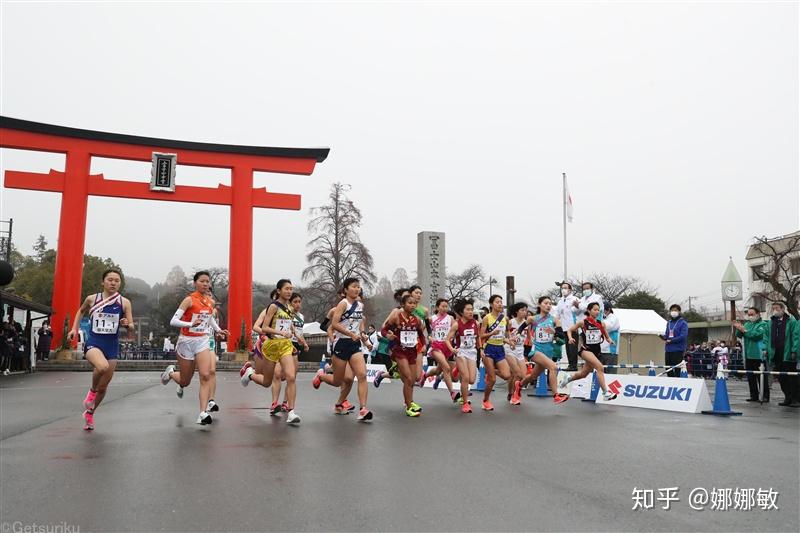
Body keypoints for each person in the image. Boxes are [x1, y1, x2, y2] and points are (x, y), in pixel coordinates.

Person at [67, 269, 134, 430]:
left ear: (120, 283)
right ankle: (91, 393)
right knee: (102, 366)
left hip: (111, 345)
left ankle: (90, 413)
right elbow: (80, 311)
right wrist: (74, 329)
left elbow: (131, 327)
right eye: (110, 280)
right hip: (94, 343)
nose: (113, 283)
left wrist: (127, 324)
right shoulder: (92, 299)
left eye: (117, 281)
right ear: (103, 282)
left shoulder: (124, 302)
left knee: (103, 388)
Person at [161, 271, 230, 425]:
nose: (206, 284)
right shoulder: (189, 300)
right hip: (186, 341)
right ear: (195, 283)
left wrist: (218, 330)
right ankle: (171, 373)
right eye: (202, 281)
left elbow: (209, 319)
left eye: (208, 281)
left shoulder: (210, 302)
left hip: (202, 341)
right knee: (185, 381)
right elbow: (174, 320)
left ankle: (202, 413)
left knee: (205, 375)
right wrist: (190, 324)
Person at [312, 278, 373, 422]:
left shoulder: (360, 305)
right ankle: (321, 376)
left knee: (362, 375)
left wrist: (365, 340)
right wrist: (349, 334)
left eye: (358, 287)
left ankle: (362, 409)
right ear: (346, 290)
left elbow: (358, 326)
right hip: (341, 344)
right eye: (353, 287)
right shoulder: (342, 304)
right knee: (339, 381)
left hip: (354, 345)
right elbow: (334, 324)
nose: (357, 289)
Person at [560, 302, 617, 401]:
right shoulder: (583, 322)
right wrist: (570, 338)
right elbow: (569, 330)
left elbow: (607, 337)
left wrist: (610, 341)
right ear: (589, 311)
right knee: (599, 367)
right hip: (586, 350)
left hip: (596, 351)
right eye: (594, 309)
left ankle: (568, 378)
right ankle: (605, 393)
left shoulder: (601, 324)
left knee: (583, 374)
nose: (597, 311)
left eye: (598, 310)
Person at [381, 293, 426, 417]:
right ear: (402, 304)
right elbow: (383, 330)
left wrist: (423, 345)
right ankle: (409, 407)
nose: (412, 305)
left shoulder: (416, 320)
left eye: (414, 304)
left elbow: (421, 335)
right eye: (409, 303)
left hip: (412, 351)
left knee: (411, 380)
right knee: (407, 377)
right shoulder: (397, 317)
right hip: (399, 351)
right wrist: (388, 335)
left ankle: (410, 402)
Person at [522, 296, 569, 403]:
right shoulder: (533, 319)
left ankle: (519, 385)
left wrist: (554, 332)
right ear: (539, 305)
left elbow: (561, 336)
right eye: (546, 303)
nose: (548, 305)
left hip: (548, 352)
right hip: (536, 351)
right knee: (553, 367)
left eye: (550, 303)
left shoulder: (555, 320)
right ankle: (556, 395)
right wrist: (514, 337)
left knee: (533, 376)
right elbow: (521, 328)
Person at [479, 295, 518, 410]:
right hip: (489, 348)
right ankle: (485, 401)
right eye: (497, 302)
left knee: (507, 375)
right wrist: (491, 334)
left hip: (500, 348)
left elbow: (504, 337)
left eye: (501, 302)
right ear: (491, 304)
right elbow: (481, 336)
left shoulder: (504, 319)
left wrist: (510, 341)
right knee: (492, 380)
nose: (500, 304)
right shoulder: (487, 318)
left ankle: (491, 371)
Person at [417, 299, 460, 403]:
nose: (445, 308)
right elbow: (421, 330)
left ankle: (425, 376)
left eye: (446, 306)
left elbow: (458, 328)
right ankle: (452, 393)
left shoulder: (450, 318)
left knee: (438, 370)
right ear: (437, 307)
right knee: (446, 368)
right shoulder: (432, 319)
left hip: (447, 347)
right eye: (442, 306)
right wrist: (428, 337)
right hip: (436, 346)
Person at [446, 298, 479, 413]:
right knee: (465, 378)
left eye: (472, 309)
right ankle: (465, 403)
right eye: (468, 310)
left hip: (472, 352)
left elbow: (479, 337)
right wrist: (452, 349)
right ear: (461, 312)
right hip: (461, 352)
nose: (471, 312)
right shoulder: (456, 325)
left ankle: (456, 369)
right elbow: (447, 339)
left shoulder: (476, 323)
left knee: (471, 380)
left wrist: (482, 350)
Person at [764, 302, 799, 407]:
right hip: (776, 353)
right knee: (781, 377)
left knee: (792, 377)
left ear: (783, 309)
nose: (775, 310)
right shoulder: (770, 323)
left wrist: (794, 350)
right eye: (773, 308)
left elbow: (795, 337)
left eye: (777, 308)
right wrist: (765, 349)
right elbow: (766, 338)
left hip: (787, 353)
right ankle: (787, 397)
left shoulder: (791, 322)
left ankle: (796, 399)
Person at [733, 307, 770, 402]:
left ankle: (765, 395)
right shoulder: (747, 324)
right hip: (748, 354)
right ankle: (754, 395)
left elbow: (756, 335)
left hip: (759, 355)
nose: (750, 316)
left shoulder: (763, 324)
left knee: (761, 377)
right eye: (748, 314)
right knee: (751, 377)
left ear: (758, 314)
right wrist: (738, 328)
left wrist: (744, 331)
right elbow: (739, 335)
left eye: (752, 314)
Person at [504, 302, 531, 405]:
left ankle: (513, 392)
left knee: (523, 376)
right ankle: (512, 394)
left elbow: (529, 338)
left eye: (526, 310)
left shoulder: (526, 323)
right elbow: (505, 335)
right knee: (517, 374)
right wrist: (510, 340)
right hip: (509, 349)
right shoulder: (511, 322)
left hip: (520, 350)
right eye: (522, 310)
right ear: (516, 311)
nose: (525, 312)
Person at [555, 282, 579, 370]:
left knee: (573, 347)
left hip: (573, 327)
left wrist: (576, 306)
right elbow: (557, 313)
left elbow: (580, 311)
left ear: (570, 290)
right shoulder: (560, 301)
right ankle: (570, 364)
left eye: (565, 288)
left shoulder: (574, 299)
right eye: (562, 288)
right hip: (564, 327)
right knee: (568, 347)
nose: (563, 290)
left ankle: (573, 365)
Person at [659, 304, 688, 377]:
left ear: (679, 312)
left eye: (675, 310)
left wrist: (672, 340)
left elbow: (683, 336)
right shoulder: (669, 323)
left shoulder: (683, 323)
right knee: (668, 369)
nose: (673, 312)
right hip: (668, 350)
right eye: (672, 310)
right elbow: (667, 335)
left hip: (678, 350)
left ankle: (678, 384)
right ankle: (670, 383)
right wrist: (662, 337)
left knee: (677, 369)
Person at [600, 304, 620, 374]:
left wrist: (597, 321)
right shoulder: (603, 318)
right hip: (600, 351)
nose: (599, 312)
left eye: (601, 310)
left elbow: (608, 326)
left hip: (610, 351)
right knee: (600, 373)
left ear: (608, 310)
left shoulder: (614, 318)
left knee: (610, 374)